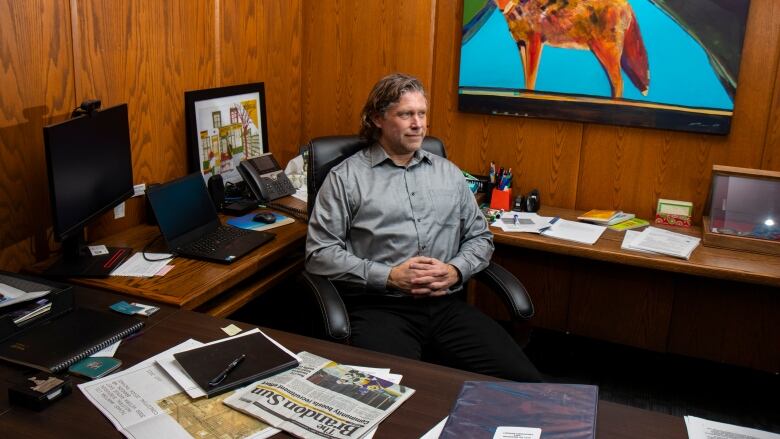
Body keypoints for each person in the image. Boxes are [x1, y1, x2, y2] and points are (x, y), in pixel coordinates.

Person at [305, 73, 541, 382]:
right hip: (381, 308)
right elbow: (319, 254)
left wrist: (455, 270)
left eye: (422, 114)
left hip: (446, 306)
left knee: (527, 384)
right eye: (406, 114)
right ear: (377, 118)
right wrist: (390, 276)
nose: (418, 124)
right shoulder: (346, 178)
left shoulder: (449, 173)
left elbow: (479, 237)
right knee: (392, 403)